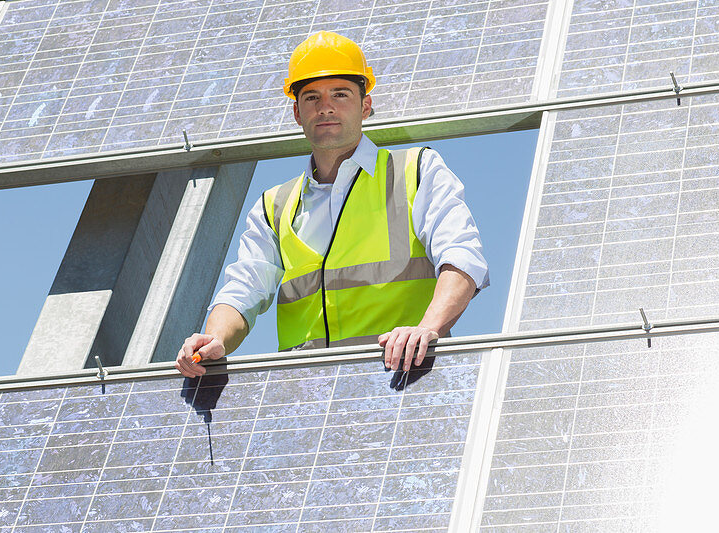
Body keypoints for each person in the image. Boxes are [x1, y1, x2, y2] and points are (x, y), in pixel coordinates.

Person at [176, 31, 488, 377]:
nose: (325, 106)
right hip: (304, 396)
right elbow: (244, 289)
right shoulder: (273, 207)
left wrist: (428, 328)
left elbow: (462, 259)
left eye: (340, 94)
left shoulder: (416, 172)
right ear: (296, 113)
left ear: (365, 105)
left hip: (403, 381)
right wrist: (215, 337)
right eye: (311, 97)